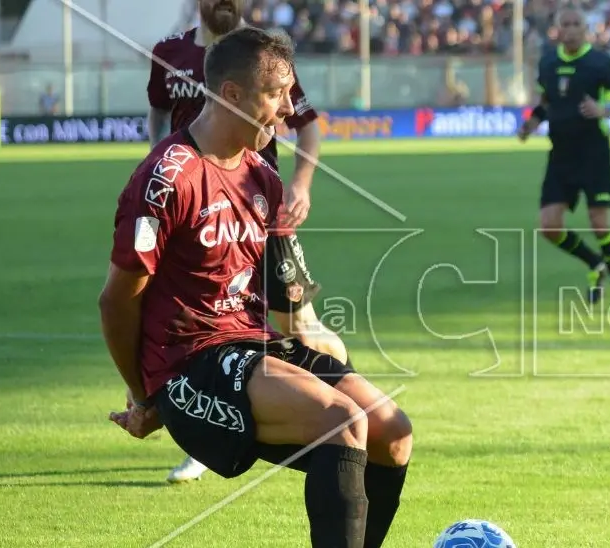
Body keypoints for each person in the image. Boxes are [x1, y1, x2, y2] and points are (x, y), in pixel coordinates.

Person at [106, 27, 409, 548]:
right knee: (342, 421)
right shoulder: (166, 177)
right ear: (232, 95)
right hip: (189, 366)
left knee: (391, 433)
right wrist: (143, 395)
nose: (291, 109)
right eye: (278, 94)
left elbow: (294, 308)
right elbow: (117, 300)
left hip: (252, 345)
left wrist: (325, 346)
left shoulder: (262, 180)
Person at [517, 7, 610, 311]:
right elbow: (547, 101)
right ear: (557, 29)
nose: (571, 29)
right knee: (549, 227)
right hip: (560, 156)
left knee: (600, 224)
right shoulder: (548, 62)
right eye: (566, 24)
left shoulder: (600, 63)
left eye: (576, 24)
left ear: (585, 29)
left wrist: (606, 111)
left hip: (593, 156)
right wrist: (531, 124)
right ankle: (594, 262)